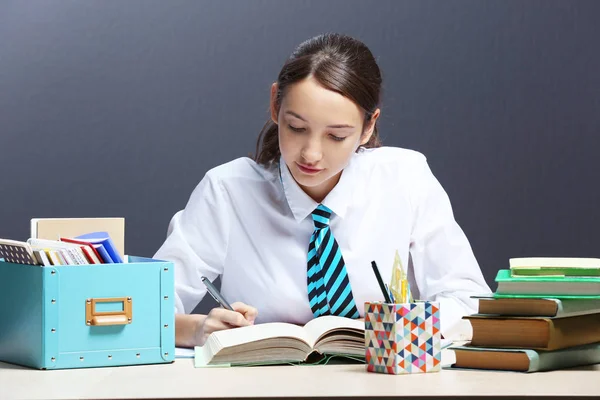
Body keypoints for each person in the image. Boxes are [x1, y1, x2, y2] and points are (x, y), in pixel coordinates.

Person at [153, 33, 491, 348]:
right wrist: (197, 329)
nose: (311, 154)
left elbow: (468, 300)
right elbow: (145, 308)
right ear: (275, 105)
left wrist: (396, 328)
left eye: (336, 136)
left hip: (384, 381)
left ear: (368, 126)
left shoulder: (405, 179)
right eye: (297, 127)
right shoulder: (227, 191)